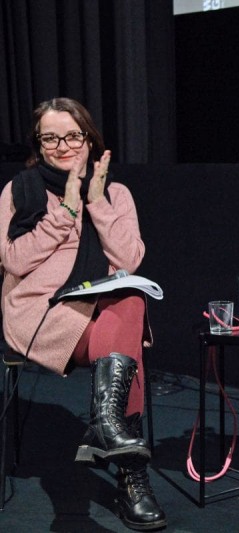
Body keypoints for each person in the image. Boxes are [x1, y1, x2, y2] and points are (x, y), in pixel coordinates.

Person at [0, 98, 166, 530]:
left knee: (129, 300)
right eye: (50, 138)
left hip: (102, 308)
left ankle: (109, 428)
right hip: (42, 310)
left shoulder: (116, 193)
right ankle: (132, 475)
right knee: (129, 337)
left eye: (72, 135)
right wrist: (67, 211)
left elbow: (130, 257)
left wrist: (95, 202)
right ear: (38, 143)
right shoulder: (20, 190)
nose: (62, 146)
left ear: (89, 138)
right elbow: (14, 262)